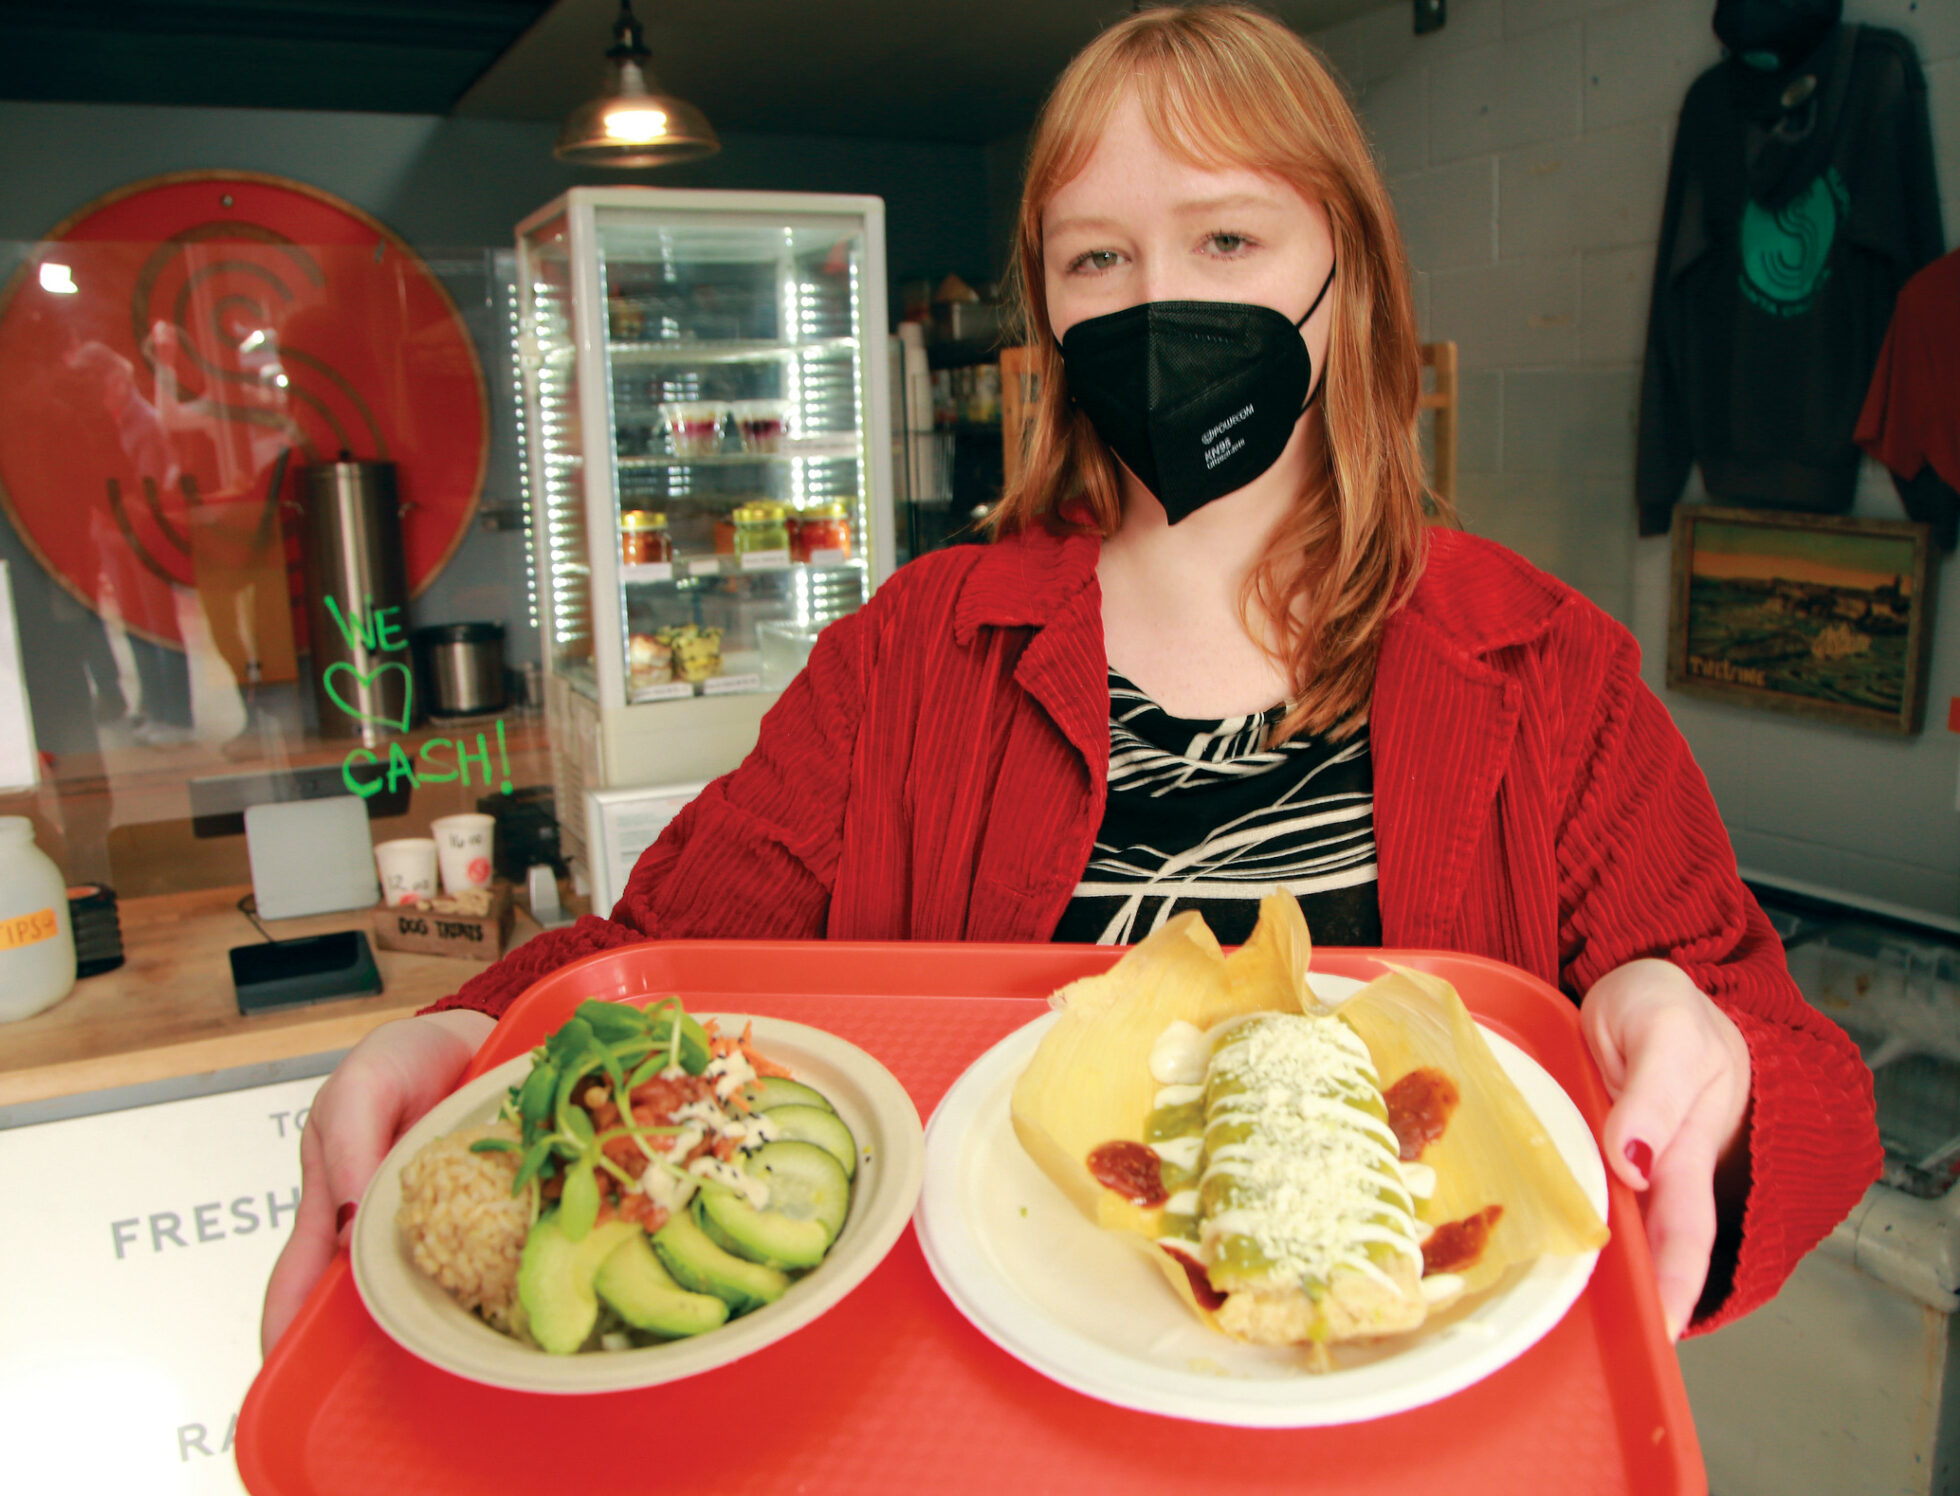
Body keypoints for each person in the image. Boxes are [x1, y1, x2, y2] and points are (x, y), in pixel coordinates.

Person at [262, 2, 1878, 1356]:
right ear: (1045, 306)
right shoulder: (918, 653)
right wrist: (461, 1044)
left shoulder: (1544, 672)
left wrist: (1699, 1042)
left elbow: (1785, 1059)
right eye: (1097, 259)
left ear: (1354, 275)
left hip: (1411, 1429)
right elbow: (658, 958)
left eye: (1229, 236)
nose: (1159, 303)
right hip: (989, 1410)